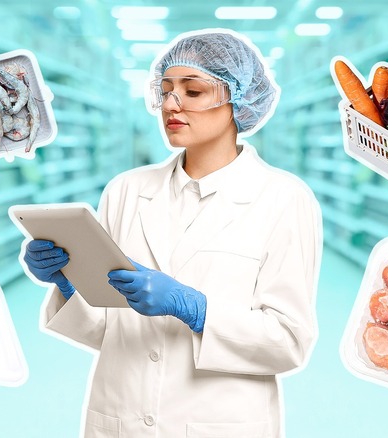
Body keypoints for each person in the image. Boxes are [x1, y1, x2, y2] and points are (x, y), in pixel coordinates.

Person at [22, 29, 323, 437]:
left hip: (220, 423)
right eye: (164, 91)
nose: (170, 105)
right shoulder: (127, 190)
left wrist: (196, 309)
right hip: (120, 418)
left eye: (192, 91)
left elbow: (289, 342)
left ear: (237, 101)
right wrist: (70, 284)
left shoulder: (284, 199)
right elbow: (108, 331)